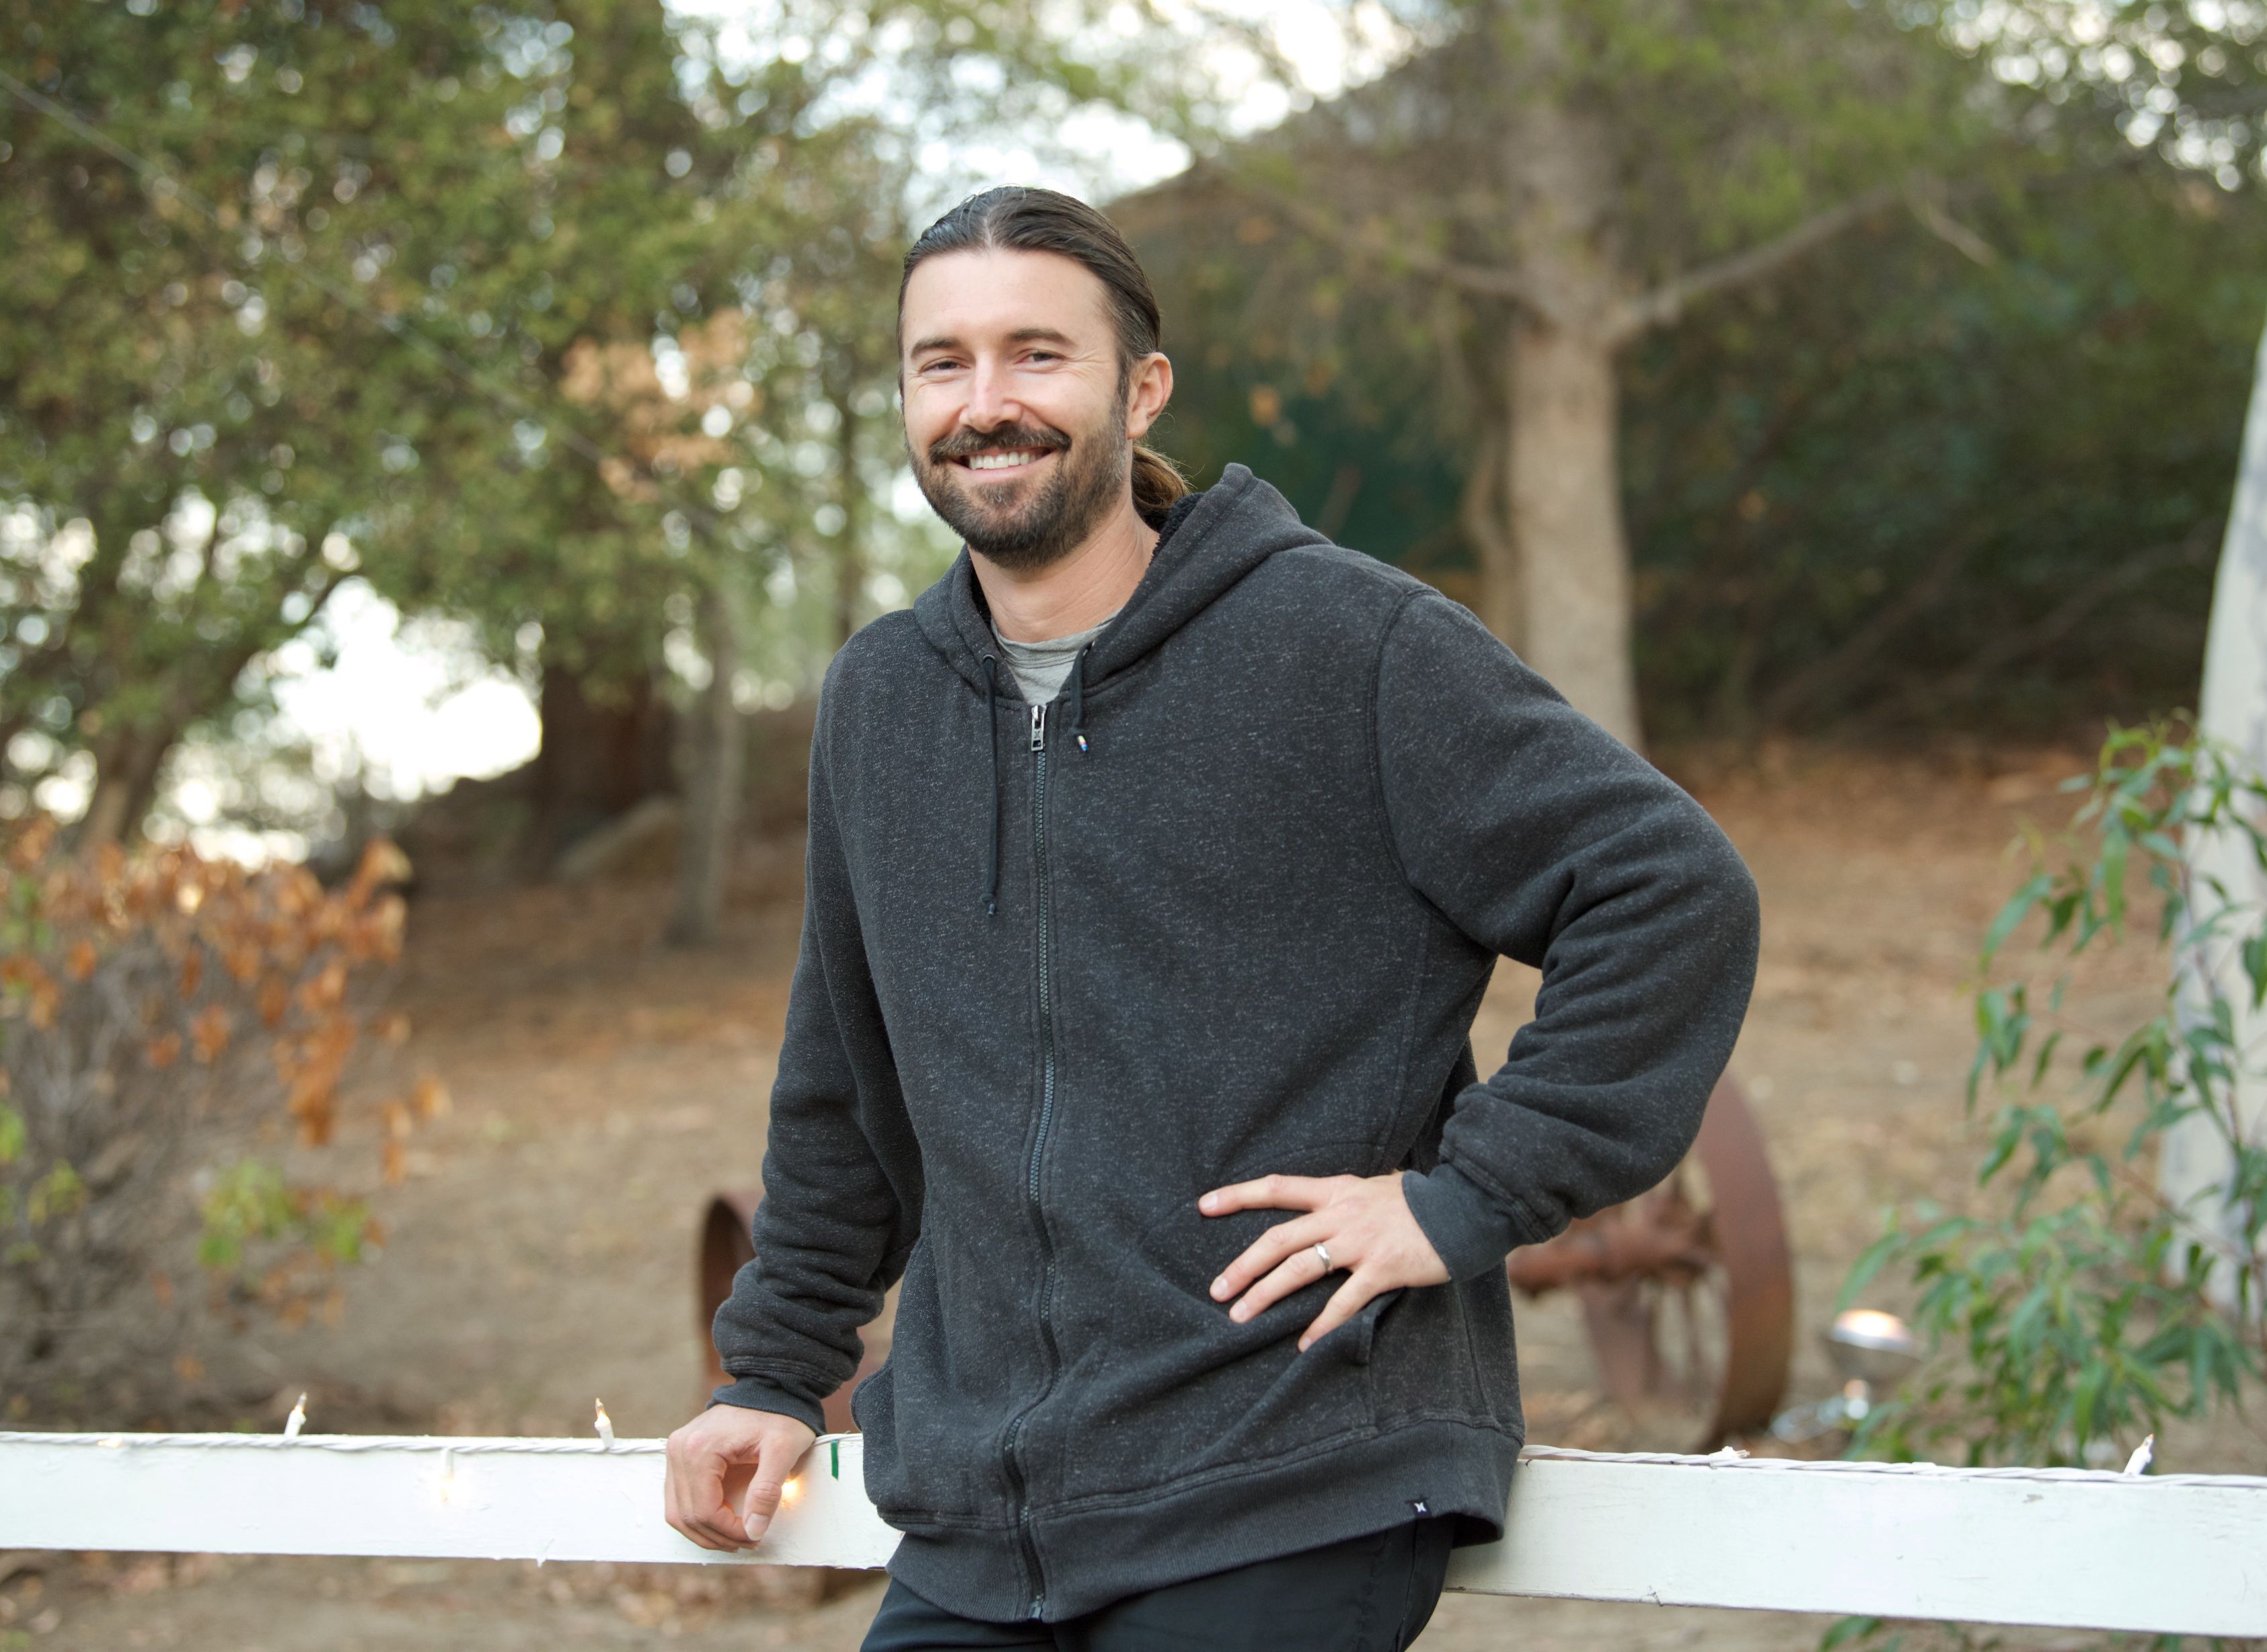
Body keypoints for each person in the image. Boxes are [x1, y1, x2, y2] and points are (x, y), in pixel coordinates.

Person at [664, 185, 1760, 1650]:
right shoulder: (880, 701)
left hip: (1289, 1478)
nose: (987, 403)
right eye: (944, 363)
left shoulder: (1343, 643)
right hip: (983, 1521)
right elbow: (843, 1085)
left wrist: (1463, 1198)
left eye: (1037, 355)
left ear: (1141, 386)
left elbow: (1668, 889)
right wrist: (772, 1374)